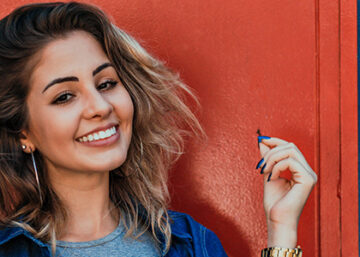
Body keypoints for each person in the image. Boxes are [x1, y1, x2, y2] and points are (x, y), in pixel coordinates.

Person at [0, 2, 317, 257]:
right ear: (23, 133)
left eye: (107, 83)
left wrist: (282, 230)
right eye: (64, 96)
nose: (101, 106)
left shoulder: (192, 244)